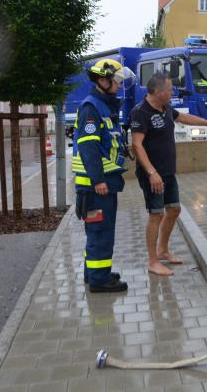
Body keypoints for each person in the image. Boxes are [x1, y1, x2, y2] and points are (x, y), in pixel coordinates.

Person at [129, 72, 207, 276]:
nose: (172, 93)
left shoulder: (165, 109)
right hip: (152, 174)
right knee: (156, 214)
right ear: (159, 92)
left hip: (168, 171)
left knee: (173, 210)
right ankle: (152, 261)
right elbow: (136, 145)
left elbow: (183, 117)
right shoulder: (141, 112)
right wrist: (152, 172)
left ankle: (163, 250)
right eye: (170, 90)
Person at [72, 58, 136, 292]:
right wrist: (98, 179)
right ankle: (100, 281)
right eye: (116, 81)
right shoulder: (92, 108)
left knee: (96, 230)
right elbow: (88, 148)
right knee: (101, 231)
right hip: (97, 185)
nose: (119, 86)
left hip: (99, 183)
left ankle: (95, 273)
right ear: (102, 80)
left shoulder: (102, 106)